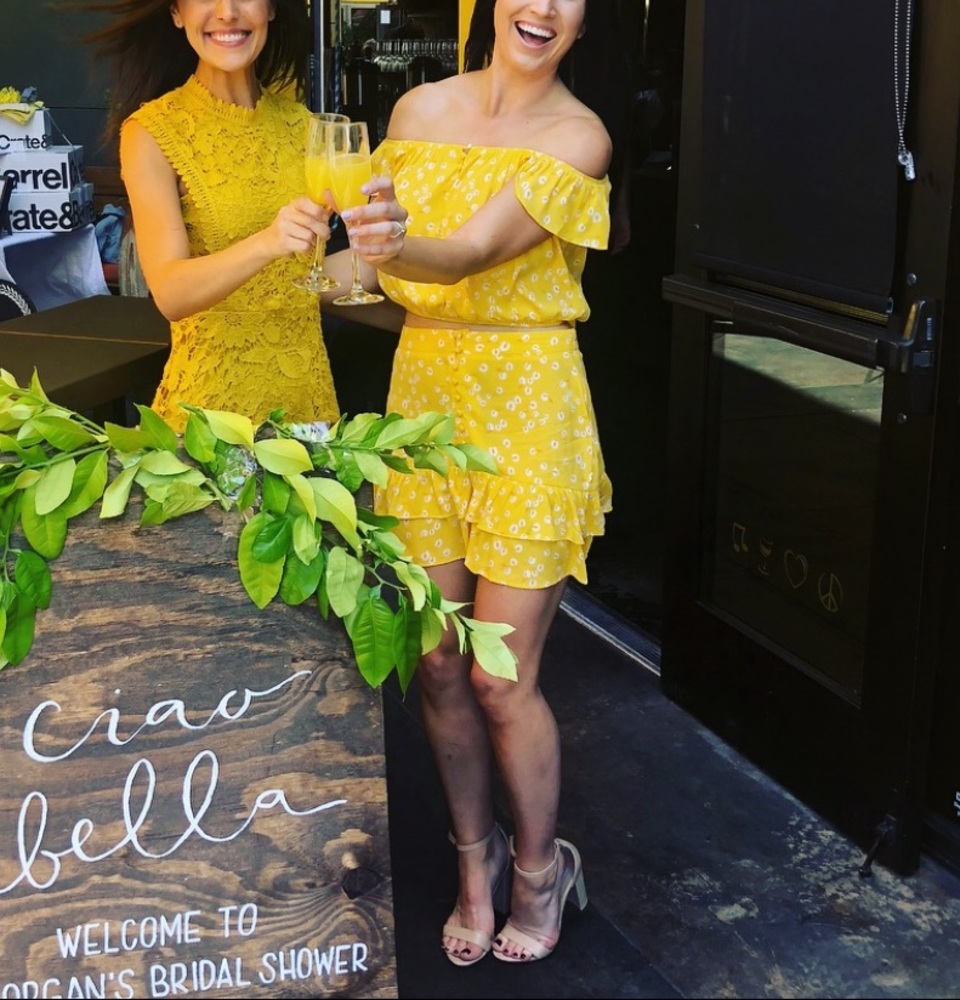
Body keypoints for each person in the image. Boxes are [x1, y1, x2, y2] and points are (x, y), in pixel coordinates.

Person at [322, 0, 629, 966]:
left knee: (502, 676)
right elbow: (372, 265)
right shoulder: (415, 111)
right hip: (426, 404)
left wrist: (381, 242)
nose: (540, 7)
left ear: (585, 21)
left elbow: (465, 254)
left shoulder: (580, 136)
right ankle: (475, 861)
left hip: (529, 404)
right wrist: (317, 261)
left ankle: (544, 867)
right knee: (438, 663)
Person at [72, 0, 341, 431]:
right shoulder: (153, 132)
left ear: (271, 9)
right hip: (210, 421)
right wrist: (268, 242)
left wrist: (386, 244)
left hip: (309, 411)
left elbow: (311, 279)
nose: (226, 11)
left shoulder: (305, 126)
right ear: (177, 13)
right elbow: (171, 294)